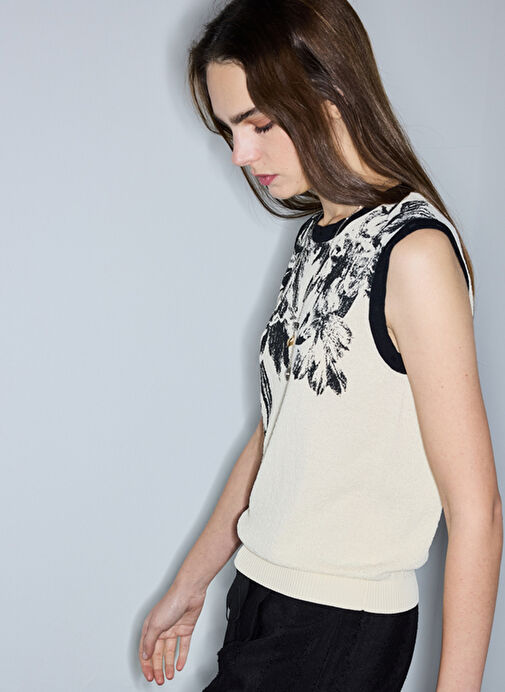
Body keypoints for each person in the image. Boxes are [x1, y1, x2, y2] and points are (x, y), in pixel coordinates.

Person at [138, 1, 503, 689]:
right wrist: (194, 579)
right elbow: (280, 427)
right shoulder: (318, 237)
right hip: (263, 596)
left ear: (330, 90)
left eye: (259, 123)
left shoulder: (413, 255)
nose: (240, 154)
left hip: (336, 625)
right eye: (229, 130)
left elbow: (476, 511)